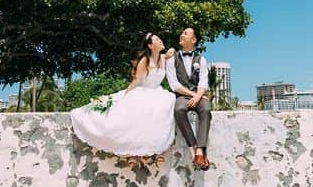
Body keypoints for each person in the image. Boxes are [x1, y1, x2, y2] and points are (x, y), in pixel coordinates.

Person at [69, 32, 176, 158]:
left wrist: (172, 50)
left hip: (158, 92)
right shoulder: (145, 61)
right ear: (151, 46)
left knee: (164, 106)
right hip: (143, 91)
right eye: (157, 40)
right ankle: (132, 151)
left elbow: (171, 51)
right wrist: (126, 94)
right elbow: (136, 81)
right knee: (134, 113)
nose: (160, 41)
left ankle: (155, 150)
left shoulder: (163, 58)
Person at [166, 26, 212, 171]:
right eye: (182, 33)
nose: (181, 35)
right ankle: (193, 145)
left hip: (198, 94)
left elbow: (204, 82)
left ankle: (200, 151)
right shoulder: (171, 59)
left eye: (185, 33)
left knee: (206, 109)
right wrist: (194, 96)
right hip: (182, 95)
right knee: (179, 110)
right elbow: (174, 84)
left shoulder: (201, 59)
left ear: (193, 40)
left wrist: (198, 96)